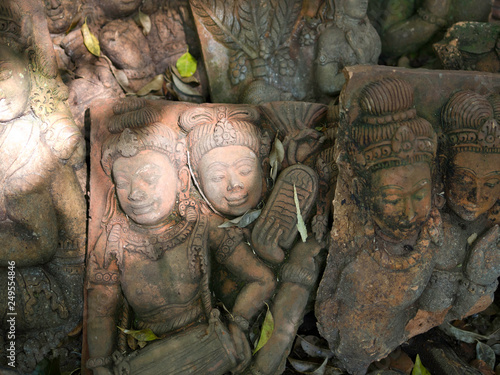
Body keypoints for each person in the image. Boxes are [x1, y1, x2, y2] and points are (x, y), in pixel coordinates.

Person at [86, 115, 275, 375]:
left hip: (207, 346)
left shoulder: (201, 226)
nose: (134, 193)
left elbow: (262, 279)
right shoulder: (113, 244)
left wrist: (238, 324)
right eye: (122, 182)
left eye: (149, 178)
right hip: (146, 360)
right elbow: (101, 312)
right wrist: (99, 365)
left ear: (182, 180)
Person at [0, 0, 85, 371]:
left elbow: (39, 243)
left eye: (3, 75)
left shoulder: (31, 148)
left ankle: (17, 352)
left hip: (53, 279)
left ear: (28, 72)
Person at [315, 0, 381, 97]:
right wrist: (362, 73)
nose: (364, 2)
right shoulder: (331, 36)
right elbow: (327, 84)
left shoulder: (372, 33)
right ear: (339, 3)